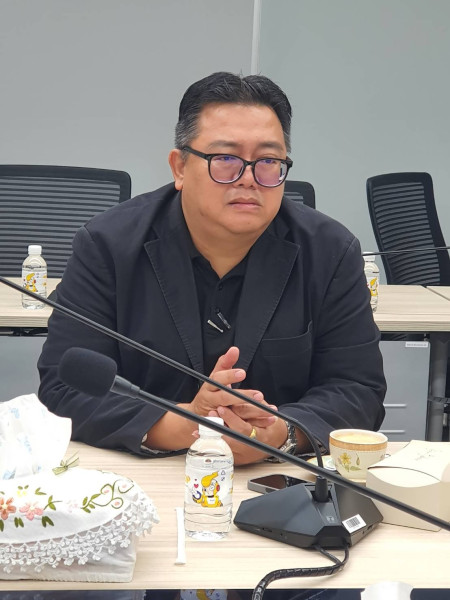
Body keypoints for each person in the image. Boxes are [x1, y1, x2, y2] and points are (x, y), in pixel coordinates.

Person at [38, 71, 386, 465]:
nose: (249, 179)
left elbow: (358, 390)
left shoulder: (330, 251)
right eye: (225, 159)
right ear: (180, 168)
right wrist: (190, 424)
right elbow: (64, 387)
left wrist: (278, 434)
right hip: (141, 476)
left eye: (268, 161)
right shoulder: (108, 245)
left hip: (278, 480)